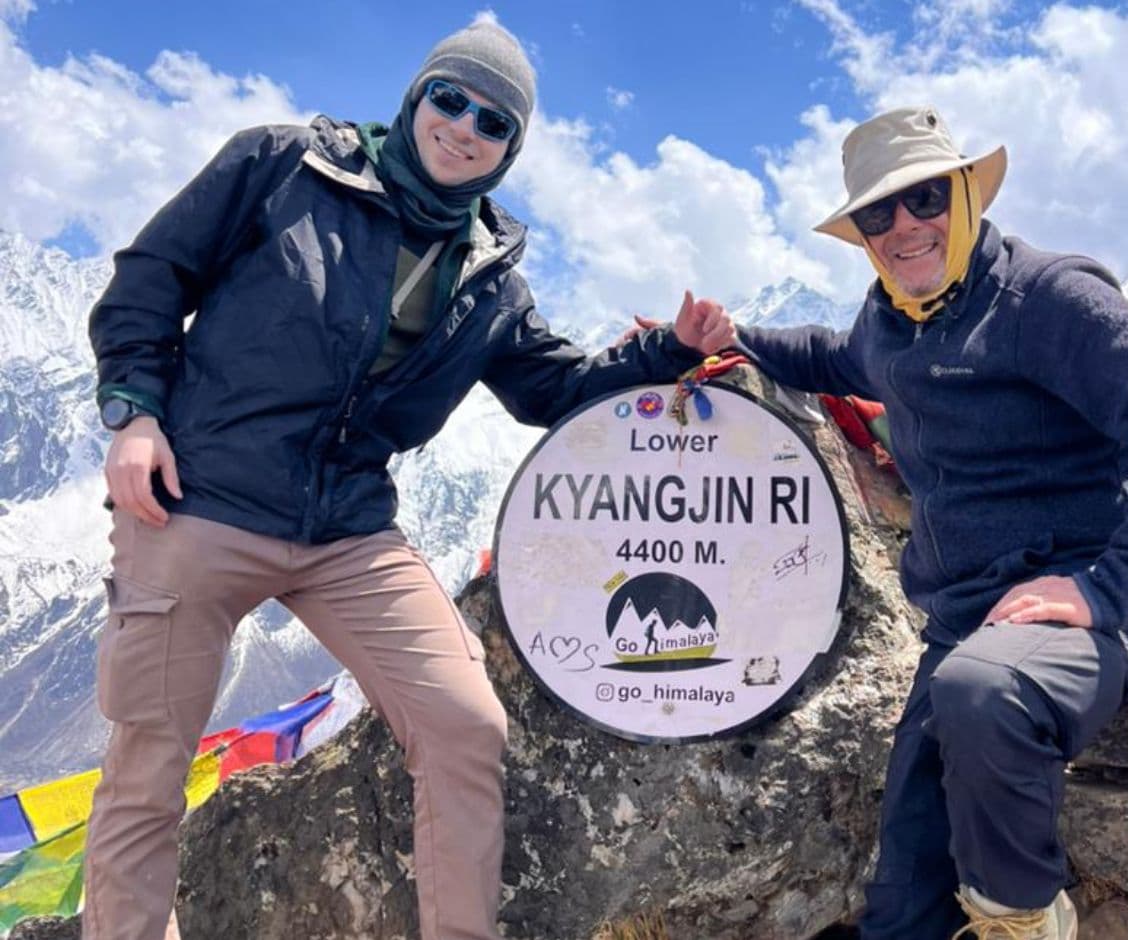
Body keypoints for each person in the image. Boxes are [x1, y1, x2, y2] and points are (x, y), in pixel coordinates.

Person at [84, 20, 734, 940]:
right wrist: (134, 411)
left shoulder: (492, 274)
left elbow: (553, 388)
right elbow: (152, 276)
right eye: (451, 98)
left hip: (348, 526)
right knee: (150, 762)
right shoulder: (285, 166)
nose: (465, 127)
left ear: (511, 149)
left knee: (467, 727)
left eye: (494, 122)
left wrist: (670, 352)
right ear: (417, 95)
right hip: (201, 498)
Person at [729, 108, 1128, 938]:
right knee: (902, 905)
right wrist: (731, 338)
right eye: (878, 213)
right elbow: (834, 355)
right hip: (969, 622)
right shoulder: (891, 319)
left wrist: (1107, 587)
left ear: (968, 195)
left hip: (1095, 615)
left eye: (926, 198)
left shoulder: (1044, 298)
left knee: (982, 690)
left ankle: (1022, 921)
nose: (904, 226)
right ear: (861, 235)